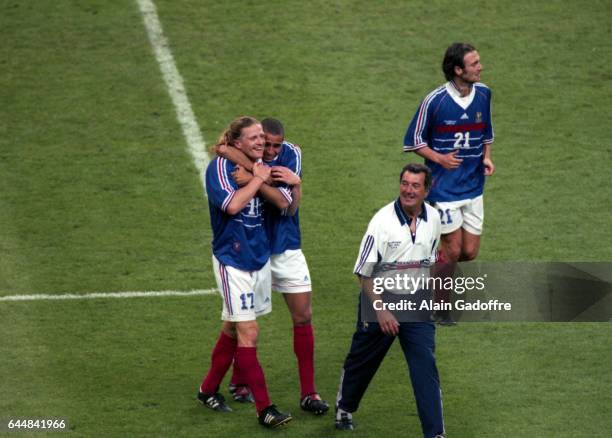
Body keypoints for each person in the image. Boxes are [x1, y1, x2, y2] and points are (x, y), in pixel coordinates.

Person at [217, 118, 329, 415]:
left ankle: (309, 393)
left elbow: (287, 204)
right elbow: (222, 148)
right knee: (241, 322)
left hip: (288, 246)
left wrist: (258, 177)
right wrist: (257, 171)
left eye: (275, 145)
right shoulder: (252, 153)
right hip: (258, 250)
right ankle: (236, 382)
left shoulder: (291, 154)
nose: (269, 150)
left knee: (303, 316)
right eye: (265, 143)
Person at [335, 163, 445, 438]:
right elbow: (363, 272)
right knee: (363, 360)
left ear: (426, 189)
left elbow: (429, 259)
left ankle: (435, 434)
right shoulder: (381, 223)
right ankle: (344, 407)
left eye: (415, 185)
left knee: (425, 367)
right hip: (379, 299)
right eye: (404, 183)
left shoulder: (433, 218)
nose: (408, 190)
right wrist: (382, 311)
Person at [197, 116, 293, 428]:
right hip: (231, 260)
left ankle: (207, 389)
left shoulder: (261, 168)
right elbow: (233, 206)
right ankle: (265, 409)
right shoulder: (220, 169)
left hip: (258, 258)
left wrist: (262, 176)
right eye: (253, 138)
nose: (260, 142)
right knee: (249, 332)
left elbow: (285, 205)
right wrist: (256, 179)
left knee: (231, 327)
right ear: (237, 142)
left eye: (262, 138)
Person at [403, 42, 495, 264]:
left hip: (474, 185)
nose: (480, 67)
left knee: (469, 252)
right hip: (443, 189)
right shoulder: (435, 101)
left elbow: (486, 131)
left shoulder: (484, 93)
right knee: (452, 251)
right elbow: (413, 141)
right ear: (458, 70)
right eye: (474, 64)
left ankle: (451, 286)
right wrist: (440, 159)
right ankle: (439, 294)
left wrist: (487, 156)